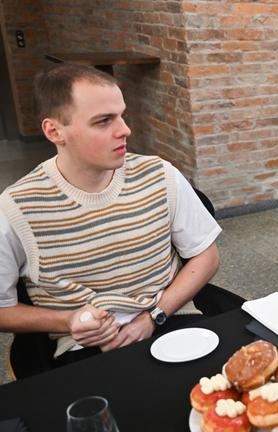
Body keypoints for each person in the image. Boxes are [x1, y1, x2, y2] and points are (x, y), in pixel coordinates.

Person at [0, 63, 221, 365]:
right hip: (84, 347)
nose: (125, 130)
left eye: (121, 115)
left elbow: (206, 256)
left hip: (169, 317)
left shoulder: (159, 174)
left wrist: (154, 316)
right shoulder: (15, 208)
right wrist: (67, 321)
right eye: (104, 121)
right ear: (54, 131)